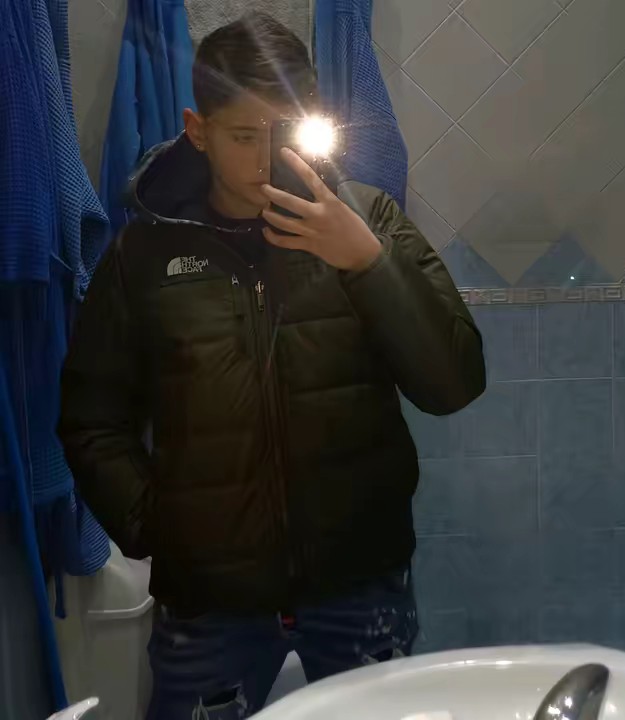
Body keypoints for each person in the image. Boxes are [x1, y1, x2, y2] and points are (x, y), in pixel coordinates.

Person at [59, 11, 486, 720]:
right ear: (198, 131)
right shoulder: (144, 256)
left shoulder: (371, 221)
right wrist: (160, 528)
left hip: (359, 586)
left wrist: (367, 263)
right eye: (243, 136)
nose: (266, 159)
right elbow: (91, 420)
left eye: (285, 130)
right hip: (209, 606)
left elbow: (454, 384)